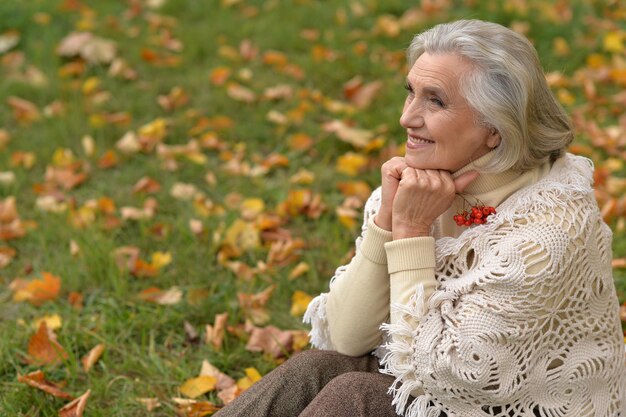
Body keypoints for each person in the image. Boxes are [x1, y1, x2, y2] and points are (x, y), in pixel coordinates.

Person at [214, 19, 626, 417]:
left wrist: (410, 233)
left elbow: (450, 373)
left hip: (509, 404)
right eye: (410, 92)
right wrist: (388, 223)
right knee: (314, 370)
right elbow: (346, 338)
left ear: (495, 129)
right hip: (435, 384)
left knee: (354, 396)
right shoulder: (422, 189)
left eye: (435, 100)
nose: (407, 117)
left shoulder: (549, 229)